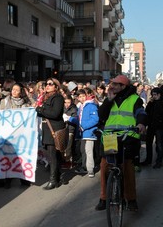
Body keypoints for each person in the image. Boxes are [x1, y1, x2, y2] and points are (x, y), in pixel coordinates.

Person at [95, 75, 147, 211]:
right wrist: (108, 101)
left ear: (123, 86)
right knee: (104, 165)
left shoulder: (135, 99)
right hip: (110, 136)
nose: (112, 86)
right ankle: (104, 198)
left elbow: (141, 112)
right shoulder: (109, 98)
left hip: (128, 136)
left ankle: (131, 199)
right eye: (112, 84)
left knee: (127, 166)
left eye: (116, 84)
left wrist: (141, 123)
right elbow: (101, 115)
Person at [0, 82, 32, 188]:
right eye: (13, 89)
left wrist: (29, 95)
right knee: (8, 157)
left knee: (21, 156)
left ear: (21, 92)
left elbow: (34, 105)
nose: (14, 92)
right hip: (8, 134)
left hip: (21, 134)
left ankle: (23, 179)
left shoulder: (25, 103)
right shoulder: (4, 101)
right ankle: (8, 179)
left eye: (17, 90)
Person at [35, 78, 65, 190]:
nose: (47, 86)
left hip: (54, 129)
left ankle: (53, 180)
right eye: (46, 84)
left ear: (56, 87)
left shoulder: (57, 98)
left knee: (53, 156)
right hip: (48, 129)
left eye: (50, 84)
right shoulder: (46, 97)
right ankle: (57, 177)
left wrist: (40, 110)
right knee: (54, 155)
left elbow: (55, 113)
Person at [64, 88, 99, 178]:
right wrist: (69, 118)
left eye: (83, 96)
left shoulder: (91, 105)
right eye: (80, 97)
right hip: (82, 133)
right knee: (83, 151)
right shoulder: (81, 107)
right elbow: (78, 120)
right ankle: (85, 167)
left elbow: (95, 119)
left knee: (88, 151)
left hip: (89, 133)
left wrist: (83, 126)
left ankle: (90, 169)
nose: (82, 98)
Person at [143, 87, 163, 168]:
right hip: (151, 126)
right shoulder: (152, 103)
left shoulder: (161, 103)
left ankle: (159, 161)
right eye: (152, 95)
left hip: (160, 127)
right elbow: (147, 112)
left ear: (159, 94)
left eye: (155, 95)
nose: (154, 96)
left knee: (159, 145)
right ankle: (148, 160)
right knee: (148, 143)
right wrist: (150, 103)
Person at [62, 94, 77, 168]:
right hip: (63, 129)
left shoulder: (73, 109)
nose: (67, 104)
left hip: (70, 129)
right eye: (65, 102)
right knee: (63, 147)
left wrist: (68, 118)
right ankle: (65, 161)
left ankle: (69, 162)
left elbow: (75, 119)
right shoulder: (62, 108)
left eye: (68, 102)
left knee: (68, 147)